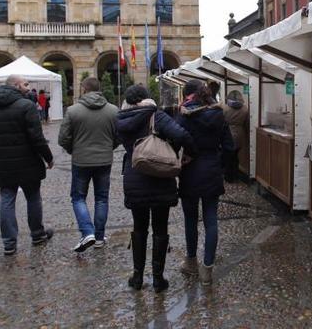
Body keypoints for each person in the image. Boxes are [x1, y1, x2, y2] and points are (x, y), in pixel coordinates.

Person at [116, 84, 194, 293]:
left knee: (139, 227)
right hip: (160, 178)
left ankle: (138, 277)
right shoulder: (155, 116)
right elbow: (183, 136)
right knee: (160, 228)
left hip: (135, 178)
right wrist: (173, 151)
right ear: (146, 98)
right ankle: (158, 279)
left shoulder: (121, 118)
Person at [0, 74, 54, 256]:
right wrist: (48, 158)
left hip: (5, 166)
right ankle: (37, 234)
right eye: (25, 84)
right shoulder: (26, 106)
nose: (28, 87)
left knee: (7, 200)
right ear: (15, 85)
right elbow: (37, 138)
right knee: (33, 198)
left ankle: (9, 243)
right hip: (29, 162)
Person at [177, 79, 235, 286]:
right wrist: (219, 165)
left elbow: (176, 140)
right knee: (211, 220)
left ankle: (191, 261)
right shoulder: (219, 116)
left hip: (190, 170)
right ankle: (207, 269)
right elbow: (229, 146)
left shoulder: (184, 116)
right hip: (211, 170)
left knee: (190, 219)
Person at [58, 77, 119, 253]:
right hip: (104, 160)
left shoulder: (73, 110)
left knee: (78, 197)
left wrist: (74, 149)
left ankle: (87, 232)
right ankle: (98, 237)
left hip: (81, 161)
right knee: (102, 198)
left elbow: (63, 138)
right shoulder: (113, 110)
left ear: (84, 89)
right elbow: (119, 135)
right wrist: (109, 147)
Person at [221, 90, 249, 182]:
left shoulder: (225, 108)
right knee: (236, 156)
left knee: (228, 157)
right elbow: (247, 123)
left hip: (227, 133)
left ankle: (228, 177)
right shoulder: (245, 109)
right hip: (240, 134)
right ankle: (235, 175)